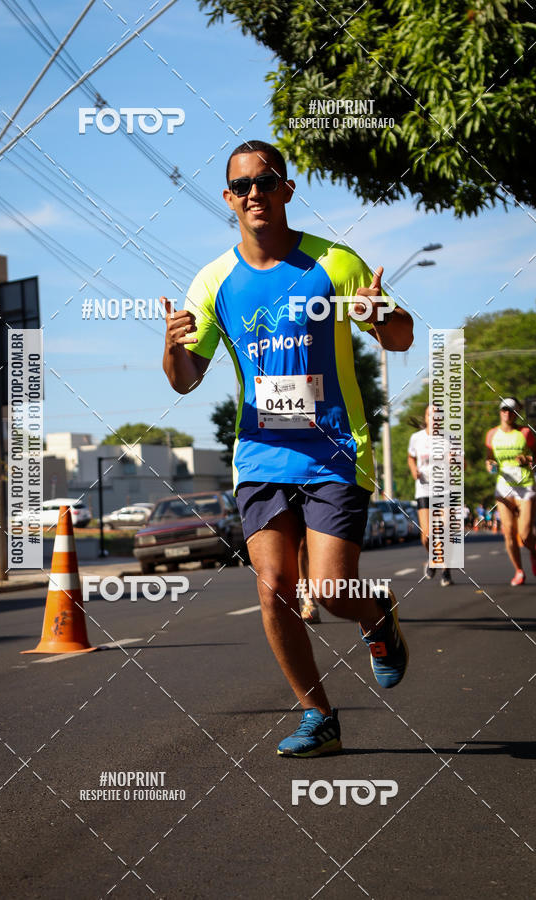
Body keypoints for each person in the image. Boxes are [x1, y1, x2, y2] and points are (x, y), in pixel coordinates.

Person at [162, 140, 413, 757]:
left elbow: (402, 335)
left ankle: (377, 616)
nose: (255, 193)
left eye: (266, 181)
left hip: (333, 452)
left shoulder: (333, 261)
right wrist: (172, 346)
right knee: (274, 586)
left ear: (286, 191)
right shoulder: (213, 280)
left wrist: (379, 314)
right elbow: (184, 377)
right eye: (242, 185)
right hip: (261, 456)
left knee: (329, 591)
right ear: (228, 198)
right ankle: (318, 717)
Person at [485, 397, 536, 585]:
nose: (507, 413)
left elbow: (535, 457)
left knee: (524, 534)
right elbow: (489, 459)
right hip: (504, 487)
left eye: (511, 411)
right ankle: (519, 571)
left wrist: (528, 459)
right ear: (500, 412)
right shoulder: (491, 435)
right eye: (504, 410)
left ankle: (533, 551)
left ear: (517, 414)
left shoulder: (525, 433)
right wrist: (489, 464)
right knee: (508, 532)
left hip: (525, 487)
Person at [407, 405, 453, 587]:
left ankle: (446, 570)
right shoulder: (416, 438)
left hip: (445, 489)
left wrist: (454, 461)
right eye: (430, 414)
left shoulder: (449, 438)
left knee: (445, 528)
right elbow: (411, 457)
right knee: (427, 536)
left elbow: (462, 464)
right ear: (425, 418)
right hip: (424, 489)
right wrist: (414, 470)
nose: (434, 418)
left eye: (437, 415)